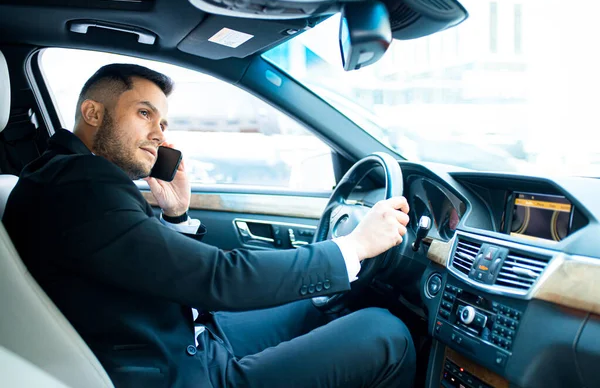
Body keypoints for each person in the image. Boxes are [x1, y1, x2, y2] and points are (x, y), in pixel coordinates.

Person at [3, 64, 416, 388]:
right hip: (176, 373)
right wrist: (355, 246)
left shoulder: (53, 175)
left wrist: (177, 216)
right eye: (144, 113)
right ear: (93, 113)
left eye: (163, 123)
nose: (158, 135)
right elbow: (217, 277)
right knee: (386, 332)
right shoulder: (81, 186)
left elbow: (143, 265)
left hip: (175, 338)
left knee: (315, 301)